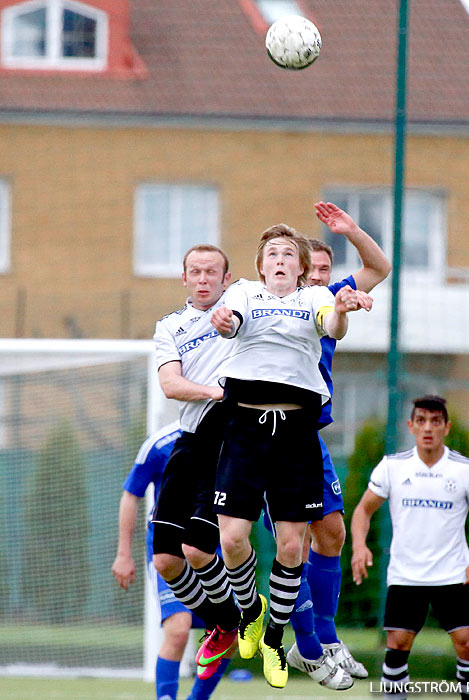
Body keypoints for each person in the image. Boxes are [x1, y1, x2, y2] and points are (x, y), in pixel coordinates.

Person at [209, 224, 372, 689]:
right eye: (272, 254)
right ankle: (251, 612)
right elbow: (232, 320)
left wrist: (341, 311)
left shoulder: (314, 298)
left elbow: (332, 324)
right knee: (234, 541)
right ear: (261, 265)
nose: (279, 259)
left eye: (288, 254)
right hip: (245, 426)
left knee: (291, 547)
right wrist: (225, 323)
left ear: (302, 268)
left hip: (297, 431)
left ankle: (276, 640)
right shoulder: (243, 292)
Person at [286, 200, 391, 689]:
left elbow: (379, 267)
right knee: (294, 539)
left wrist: (351, 229)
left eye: (330, 271)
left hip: (310, 435)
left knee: (331, 534)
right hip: (271, 435)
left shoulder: (330, 300)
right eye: (317, 270)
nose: (325, 278)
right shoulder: (274, 304)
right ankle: (307, 642)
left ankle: (324, 639)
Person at [351, 395, 469, 700]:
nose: (428, 427)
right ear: (411, 426)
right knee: (398, 645)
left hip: (453, 573)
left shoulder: (467, 470)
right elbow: (363, 510)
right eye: (421, 421)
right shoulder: (392, 467)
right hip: (406, 575)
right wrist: (359, 546)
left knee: (467, 644)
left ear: (447, 427)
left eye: (435, 421)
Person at [151, 245, 241, 682]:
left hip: (229, 439)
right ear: (184, 278)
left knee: (197, 549)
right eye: (195, 271)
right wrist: (214, 392)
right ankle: (227, 620)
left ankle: (237, 615)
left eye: (212, 272)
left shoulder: (242, 305)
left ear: (227, 279)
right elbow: (170, 383)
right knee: (165, 560)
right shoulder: (170, 326)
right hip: (190, 440)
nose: (203, 278)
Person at [112, 421, 232, 700]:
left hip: (212, 550)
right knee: (177, 630)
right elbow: (131, 496)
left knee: (229, 632)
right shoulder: (160, 444)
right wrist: (123, 553)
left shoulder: (232, 439)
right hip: (168, 551)